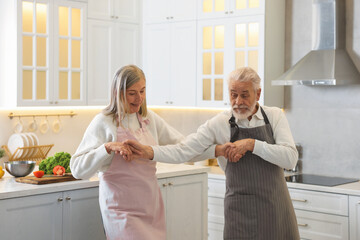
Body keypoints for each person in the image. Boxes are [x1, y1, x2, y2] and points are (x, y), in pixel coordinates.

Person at [123, 67, 300, 240]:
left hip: (275, 207)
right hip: (239, 212)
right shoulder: (219, 123)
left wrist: (252, 144)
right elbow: (184, 150)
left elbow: (290, 159)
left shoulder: (275, 116)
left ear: (258, 94)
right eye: (233, 94)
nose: (238, 101)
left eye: (244, 95)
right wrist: (149, 152)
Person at [70, 65, 214, 240]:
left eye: (143, 91)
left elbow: (184, 147)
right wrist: (106, 148)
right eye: (132, 93)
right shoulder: (104, 122)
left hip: (151, 207)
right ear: (118, 92)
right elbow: (77, 169)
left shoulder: (149, 119)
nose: (139, 98)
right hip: (120, 210)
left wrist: (217, 150)